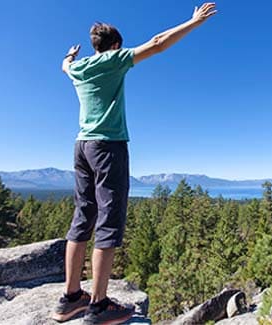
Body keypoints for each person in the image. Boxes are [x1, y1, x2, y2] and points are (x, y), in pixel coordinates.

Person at [52, 3, 217, 324]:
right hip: (108, 146)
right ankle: (98, 306)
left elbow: (63, 66)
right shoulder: (113, 60)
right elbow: (157, 44)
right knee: (109, 221)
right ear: (114, 46)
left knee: (82, 216)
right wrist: (193, 22)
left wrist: (70, 55)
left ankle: (70, 298)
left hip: (81, 146)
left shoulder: (78, 68)